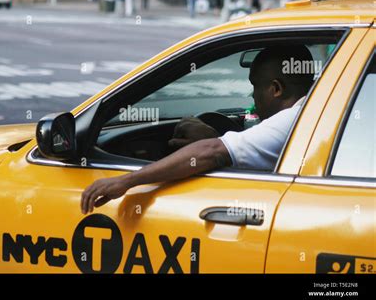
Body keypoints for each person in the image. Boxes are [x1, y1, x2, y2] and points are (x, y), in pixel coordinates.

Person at [80, 45, 315, 214]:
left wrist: (126, 181)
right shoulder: (314, 109)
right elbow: (231, 145)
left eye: (255, 86)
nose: (251, 95)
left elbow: (211, 152)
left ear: (276, 89)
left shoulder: (291, 120)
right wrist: (218, 137)